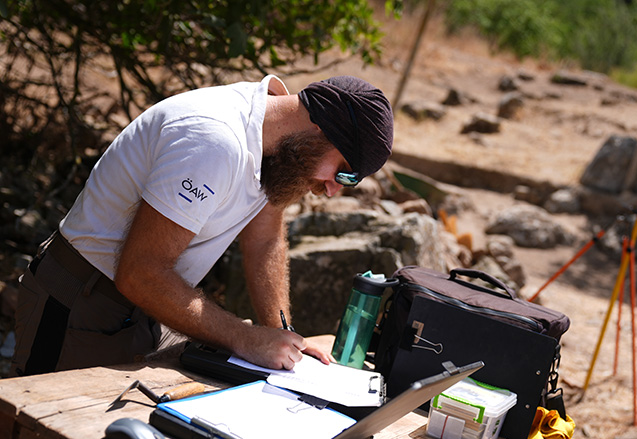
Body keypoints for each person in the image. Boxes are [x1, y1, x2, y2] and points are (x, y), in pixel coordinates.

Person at [12, 75, 394, 376]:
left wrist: (281, 335)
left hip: (147, 306)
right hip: (83, 302)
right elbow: (140, 273)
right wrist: (245, 338)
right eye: (343, 174)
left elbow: (265, 239)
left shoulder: (273, 142)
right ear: (320, 130)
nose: (331, 191)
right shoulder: (215, 142)